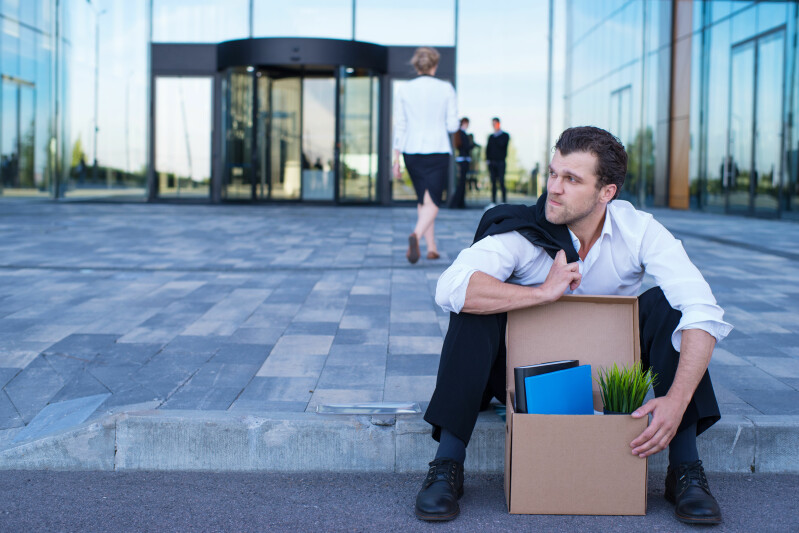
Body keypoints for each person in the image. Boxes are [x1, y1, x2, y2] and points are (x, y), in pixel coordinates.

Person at [414, 126, 731, 526]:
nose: (554, 188)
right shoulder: (521, 232)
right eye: (552, 173)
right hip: (520, 374)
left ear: (607, 193)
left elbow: (703, 310)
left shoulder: (640, 230)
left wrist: (676, 399)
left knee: (668, 305)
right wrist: (541, 293)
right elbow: (451, 287)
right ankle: (448, 464)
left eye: (571, 179)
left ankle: (684, 470)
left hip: (606, 374)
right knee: (475, 305)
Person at [393, 47, 459, 263]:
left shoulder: (404, 89)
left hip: (411, 151)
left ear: (416, 65)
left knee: (424, 200)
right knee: (433, 203)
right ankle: (416, 235)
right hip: (437, 149)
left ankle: (432, 247)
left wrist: (396, 159)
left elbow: (400, 125)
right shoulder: (446, 88)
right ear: (435, 65)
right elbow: (452, 125)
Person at [448, 117, 473, 209]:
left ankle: (460, 203)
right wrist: (472, 145)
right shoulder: (462, 134)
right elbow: (466, 147)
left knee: (462, 183)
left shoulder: (461, 134)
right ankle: (457, 203)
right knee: (461, 184)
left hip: (463, 160)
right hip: (463, 160)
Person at [486, 118, 510, 204]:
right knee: (493, 182)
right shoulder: (491, 137)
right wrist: (488, 160)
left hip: (501, 162)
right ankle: (493, 201)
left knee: (501, 181)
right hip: (492, 163)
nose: (494, 126)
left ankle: (503, 201)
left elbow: (502, 145)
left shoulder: (505, 135)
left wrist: (496, 137)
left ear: (499, 124)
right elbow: (488, 149)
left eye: (495, 124)